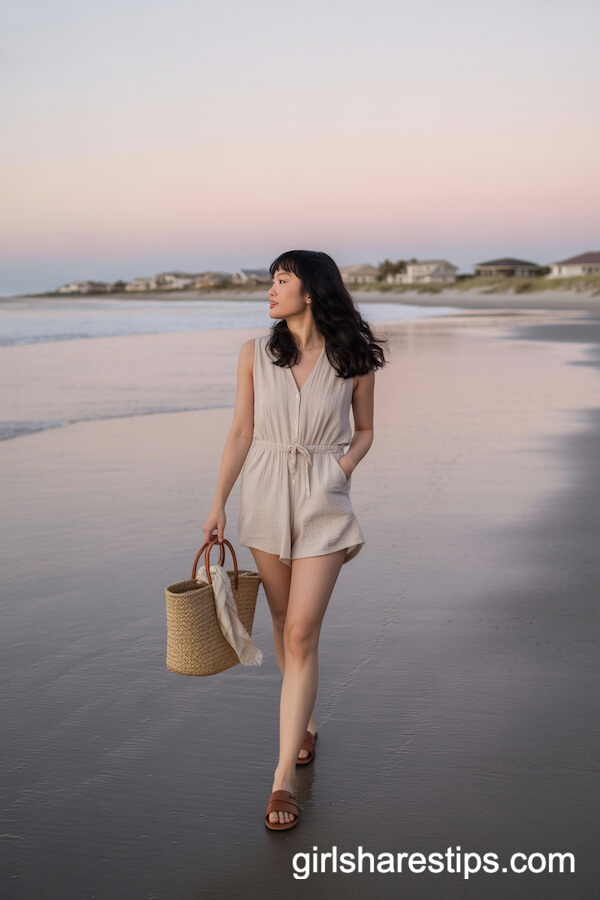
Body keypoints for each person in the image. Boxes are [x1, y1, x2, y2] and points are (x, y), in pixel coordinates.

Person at [203, 249, 388, 830]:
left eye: (281, 280)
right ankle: (303, 722)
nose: (271, 289)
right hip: (263, 493)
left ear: (310, 291)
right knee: (283, 622)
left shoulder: (354, 357)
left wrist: (339, 471)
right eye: (271, 281)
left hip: (323, 500)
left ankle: (281, 779)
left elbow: (365, 431)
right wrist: (218, 503)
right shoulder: (253, 354)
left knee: (303, 630)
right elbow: (241, 431)